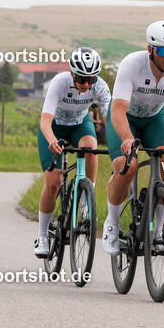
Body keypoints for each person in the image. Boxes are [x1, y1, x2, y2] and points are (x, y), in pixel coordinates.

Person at [102, 21, 164, 255]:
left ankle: (159, 231)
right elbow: (117, 109)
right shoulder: (132, 65)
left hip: (156, 117)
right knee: (127, 166)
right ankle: (112, 224)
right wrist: (127, 139)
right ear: (150, 49)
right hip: (124, 117)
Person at [35, 47, 110, 257]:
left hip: (80, 124)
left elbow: (110, 120)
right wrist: (51, 140)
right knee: (53, 182)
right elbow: (45, 121)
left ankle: (86, 200)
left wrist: (117, 144)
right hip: (55, 127)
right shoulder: (59, 83)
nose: (86, 84)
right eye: (81, 78)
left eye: (91, 79)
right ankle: (42, 235)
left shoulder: (100, 87)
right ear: (72, 73)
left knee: (91, 150)